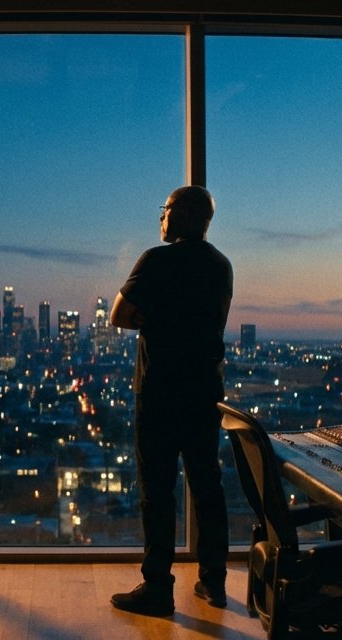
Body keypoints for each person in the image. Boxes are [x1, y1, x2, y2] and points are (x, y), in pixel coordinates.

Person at [109, 185, 234, 616]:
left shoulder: (156, 260)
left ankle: (158, 586)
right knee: (207, 485)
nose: (160, 217)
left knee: (157, 491)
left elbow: (118, 315)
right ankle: (214, 581)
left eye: (164, 210)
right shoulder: (221, 266)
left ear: (180, 215)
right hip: (203, 391)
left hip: (159, 391)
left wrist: (155, 318)